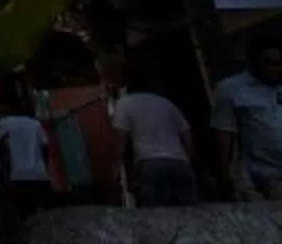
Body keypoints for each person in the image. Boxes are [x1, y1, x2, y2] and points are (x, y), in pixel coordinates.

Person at [110, 64, 200, 207]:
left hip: (149, 164)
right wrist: (188, 159)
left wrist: (116, 169)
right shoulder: (166, 104)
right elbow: (187, 134)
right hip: (179, 163)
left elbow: (120, 141)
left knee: (158, 215)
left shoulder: (124, 104)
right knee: (189, 213)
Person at [216, 34, 282, 199]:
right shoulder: (231, 89)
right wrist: (227, 176)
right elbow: (225, 135)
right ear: (253, 61)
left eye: (279, 63)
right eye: (269, 63)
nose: (276, 68)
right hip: (267, 175)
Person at [0, 84, 56, 227]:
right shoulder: (35, 124)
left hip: (19, 176)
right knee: (48, 215)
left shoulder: (4, 123)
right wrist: (43, 165)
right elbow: (46, 148)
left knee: (27, 218)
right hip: (39, 174)